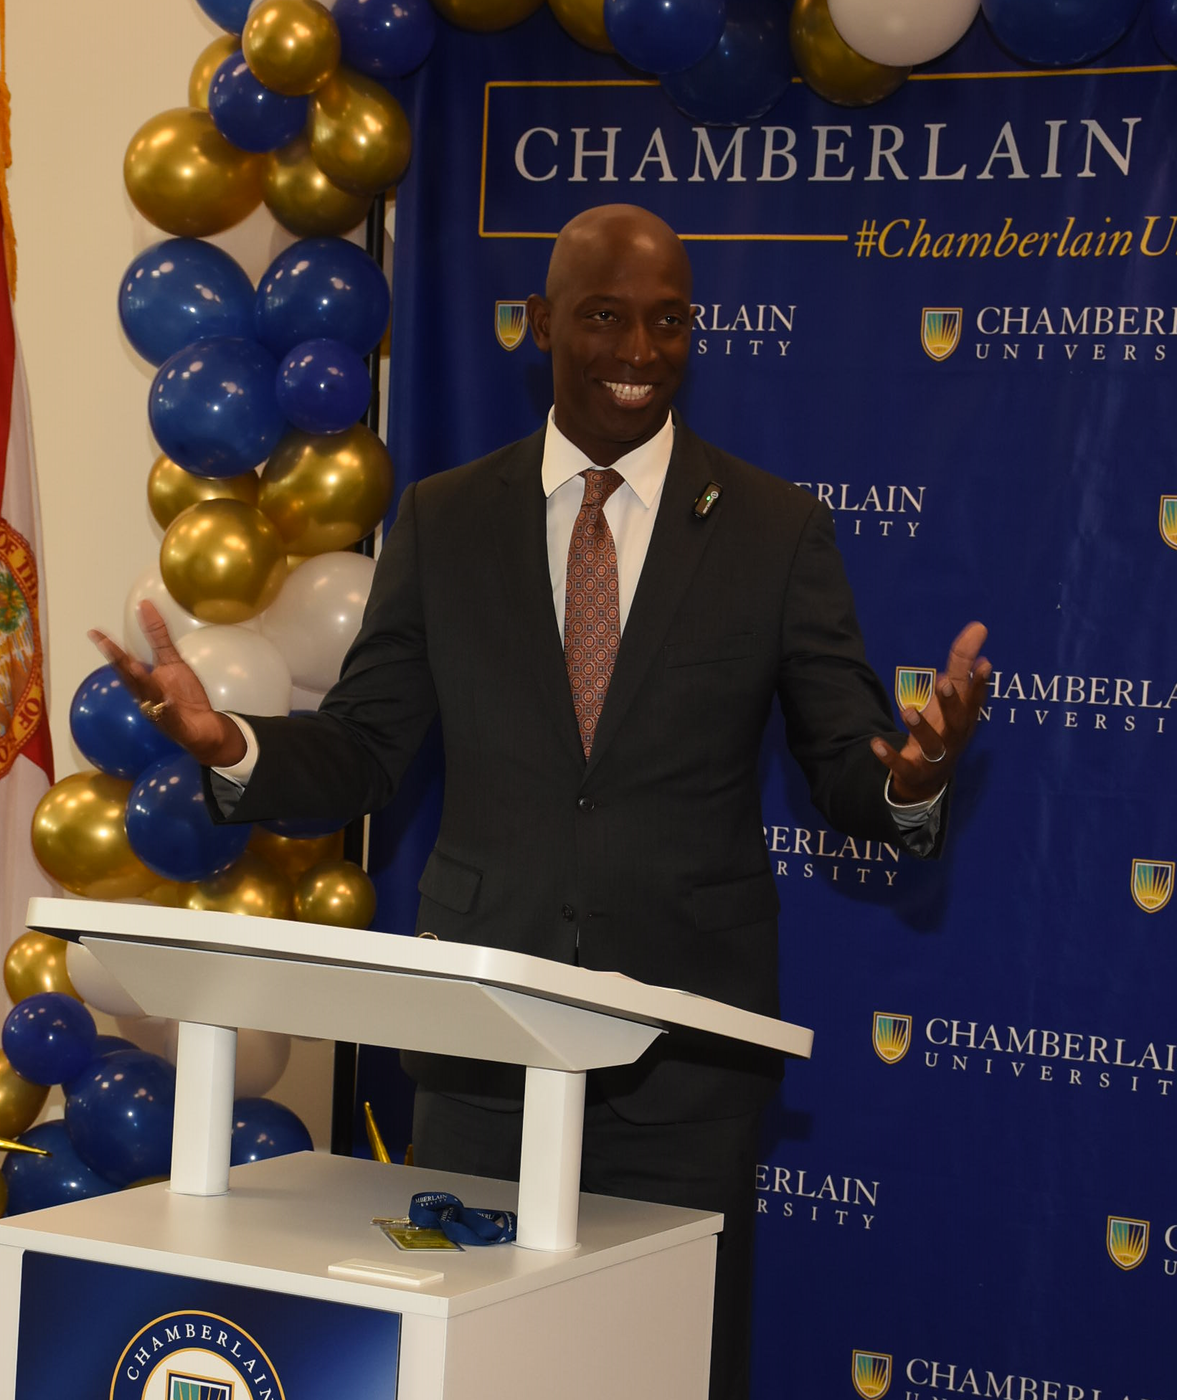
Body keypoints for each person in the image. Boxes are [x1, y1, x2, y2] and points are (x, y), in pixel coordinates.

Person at [92, 204, 990, 1400]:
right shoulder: (445, 517)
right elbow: (364, 750)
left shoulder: (775, 530)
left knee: (663, 1368)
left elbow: (844, 764)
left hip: (686, 1059)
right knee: (485, 1370)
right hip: (482, 1055)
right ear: (542, 327)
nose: (638, 349)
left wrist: (911, 774)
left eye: (667, 322)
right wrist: (230, 741)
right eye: (606, 317)